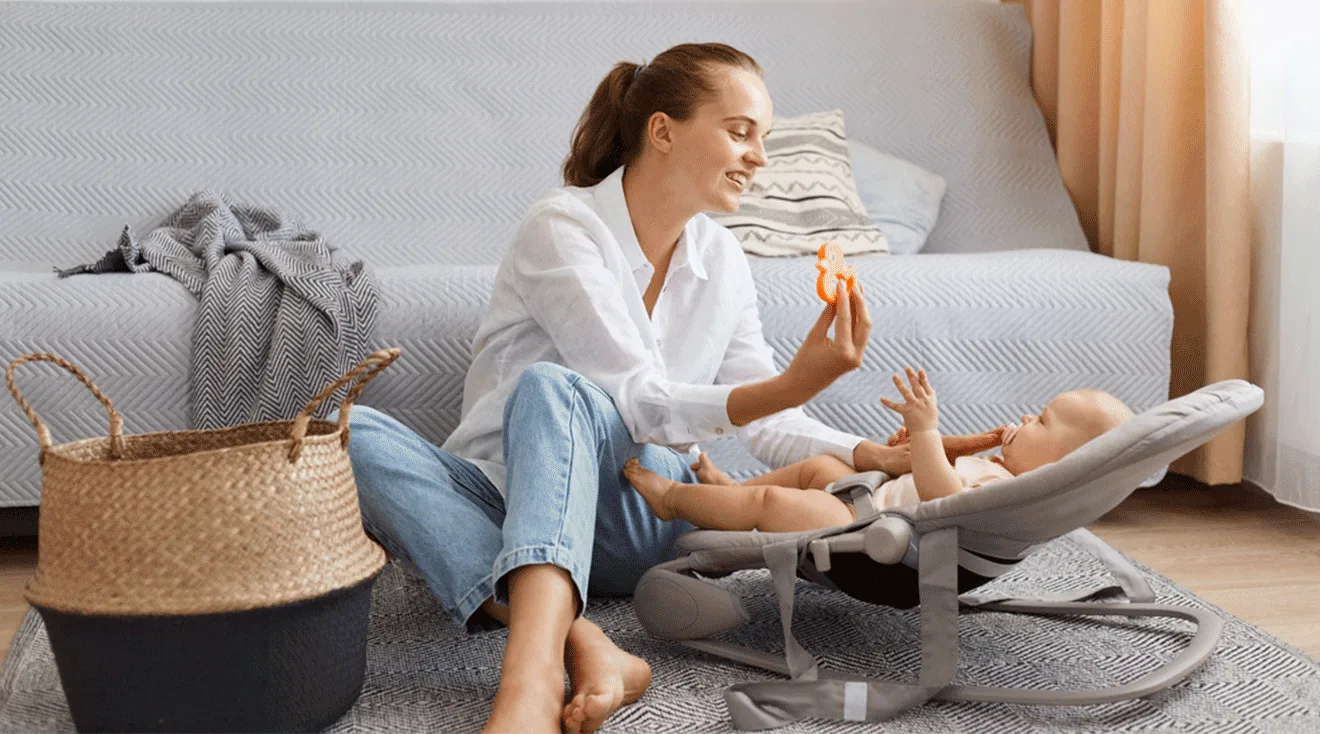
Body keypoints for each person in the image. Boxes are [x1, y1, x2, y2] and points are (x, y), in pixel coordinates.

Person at [334, 44, 981, 734]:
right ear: (663, 130)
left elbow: (763, 421)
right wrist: (793, 379)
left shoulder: (722, 259)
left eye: (762, 135)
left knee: (556, 389)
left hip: (640, 508)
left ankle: (525, 691)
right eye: (740, 131)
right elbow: (640, 397)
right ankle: (589, 645)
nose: (760, 156)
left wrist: (864, 452)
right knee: (348, 434)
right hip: (499, 498)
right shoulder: (564, 227)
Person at [622, 368, 1135, 532]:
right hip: (869, 498)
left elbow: (943, 497)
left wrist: (928, 430)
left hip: (863, 527)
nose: (1026, 418)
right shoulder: (1001, 467)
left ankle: (676, 502)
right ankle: (733, 490)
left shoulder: (1009, 490)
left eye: (1041, 421)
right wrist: (920, 443)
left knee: (775, 507)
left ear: (1062, 465)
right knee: (816, 467)